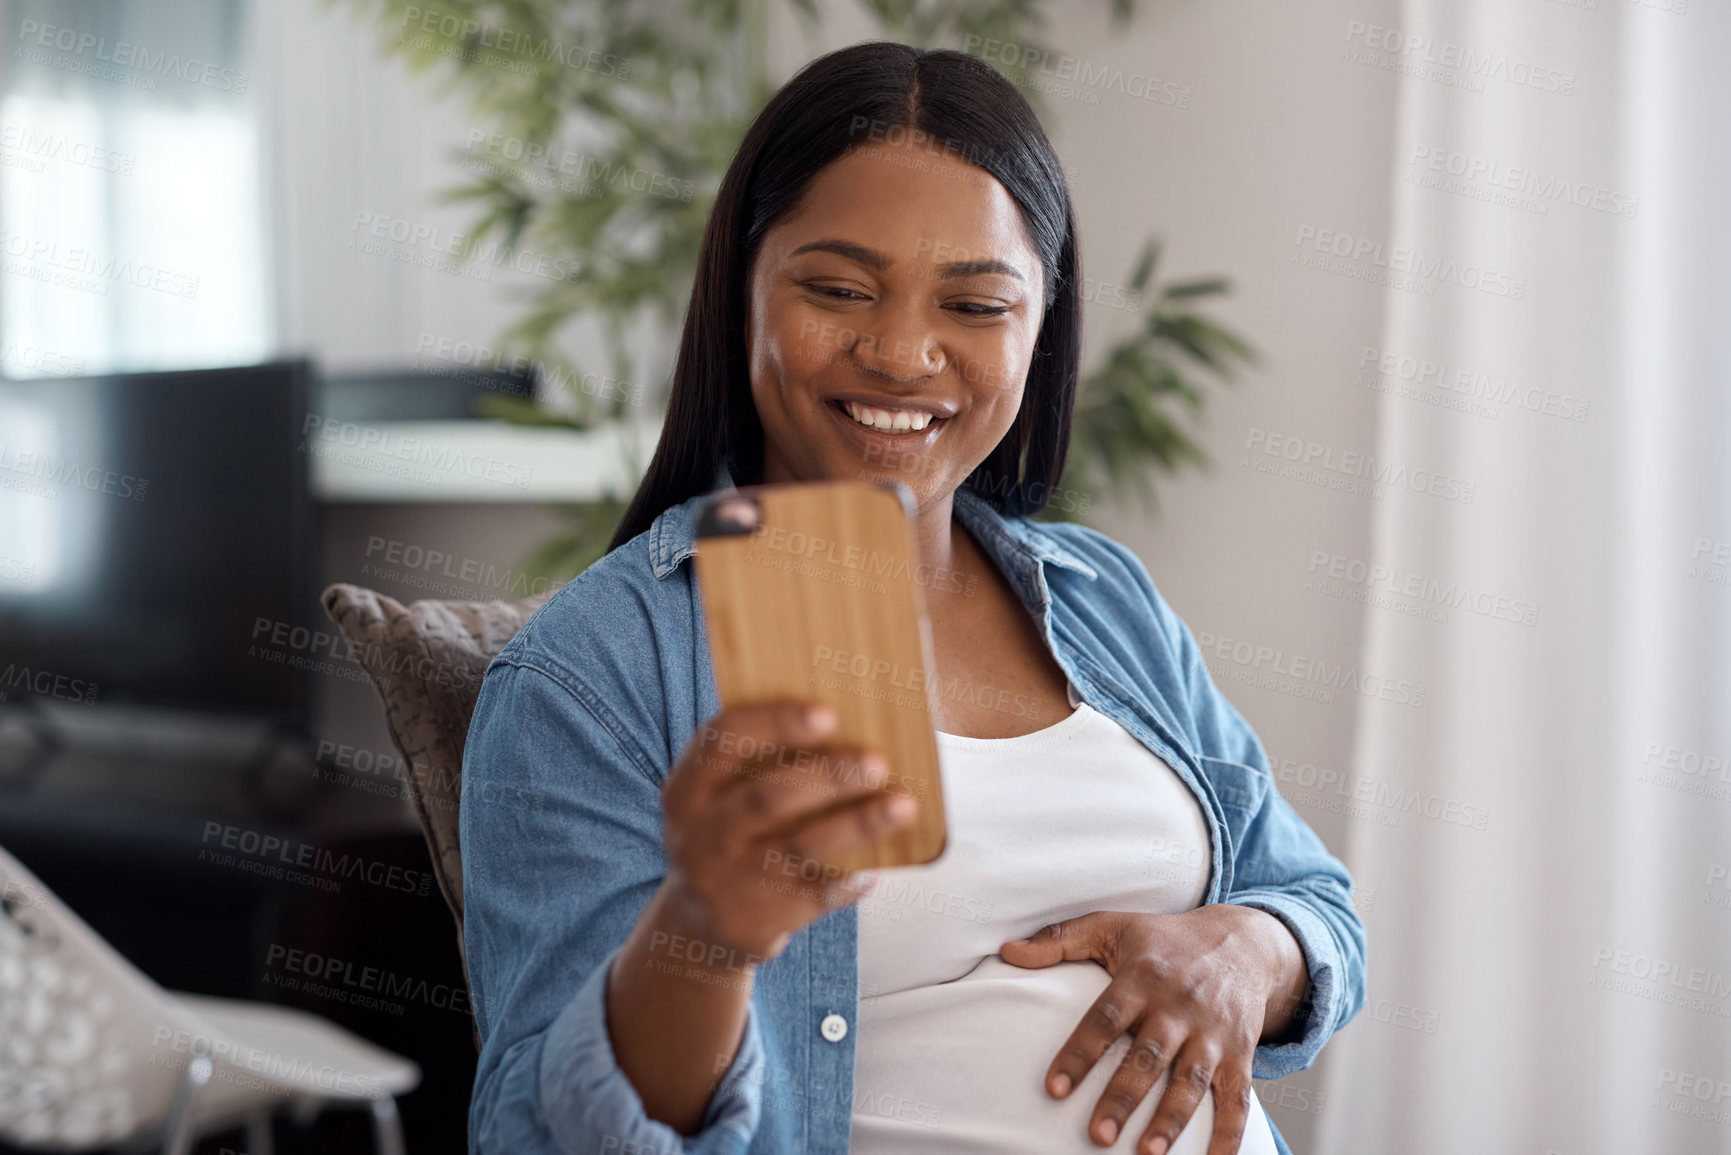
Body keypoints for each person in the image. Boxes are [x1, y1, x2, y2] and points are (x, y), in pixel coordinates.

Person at [460, 40, 1366, 1155]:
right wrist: (705, 934)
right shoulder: (591, 672)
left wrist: (1245, 953)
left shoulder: (1102, 597)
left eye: (977, 304)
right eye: (838, 290)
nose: (899, 353)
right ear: (742, 290)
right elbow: (535, 1136)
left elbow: (1314, 899)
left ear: (1041, 326)